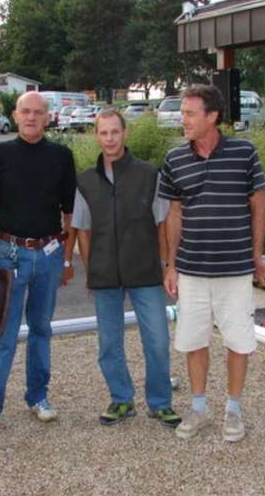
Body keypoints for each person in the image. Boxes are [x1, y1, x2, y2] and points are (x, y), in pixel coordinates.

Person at [160, 84, 265, 443]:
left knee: (238, 342)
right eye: (183, 113)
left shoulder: (244, 152)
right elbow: (173, 214)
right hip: (191, 269)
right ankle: (198, 407)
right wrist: (171, 265)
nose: (184, 120)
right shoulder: (175, 158)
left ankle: (233, 411)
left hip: (235, 269)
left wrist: (256, 257)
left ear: (213, 117)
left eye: (191, 113)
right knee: (194, 340)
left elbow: (259, 205)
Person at [0, 91, 76, 437]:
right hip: (9, 255)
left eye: (38, 112)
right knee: (2, 334)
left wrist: (68, 257)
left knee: (41, 329)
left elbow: (70, 212)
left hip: (48, 254)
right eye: (25, 112)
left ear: (48, 117)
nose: (31, 117)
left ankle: (38, 396)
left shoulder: (62, 156)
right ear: (15, 116)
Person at [69, 110, 181, 428]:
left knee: (157, 340)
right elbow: (84, 231)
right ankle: (121, 399)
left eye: (114, 132)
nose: (109, 139)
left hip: (145, 271)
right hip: (105, 275)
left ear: (125, 133)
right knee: (108, 344)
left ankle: (160, 403)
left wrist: (166, 265)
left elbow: (162, 223)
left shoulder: (148, 174)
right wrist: (91, 271)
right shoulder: (86, 181)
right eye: (103, 133)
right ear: (96, 136)